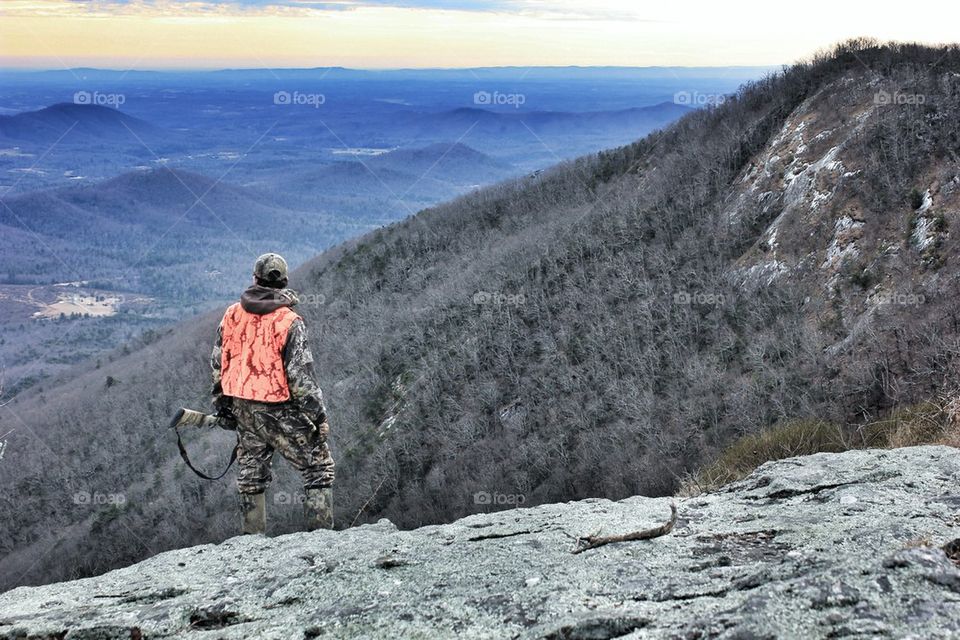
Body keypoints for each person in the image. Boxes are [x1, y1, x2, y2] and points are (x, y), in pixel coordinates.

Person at [210, 253, 334, 533]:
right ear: (284, 282)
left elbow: (218, 362)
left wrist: (222, 405)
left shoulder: (231, 314)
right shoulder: (289, 321)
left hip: (242, 406)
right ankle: (323, 540)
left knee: (251, 473)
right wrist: (318, 417)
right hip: (280, 409)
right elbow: (302, 377)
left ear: (255, 279)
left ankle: (251, 542)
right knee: (317, 466)